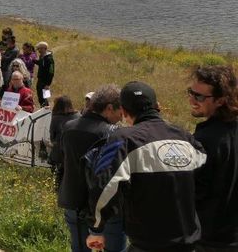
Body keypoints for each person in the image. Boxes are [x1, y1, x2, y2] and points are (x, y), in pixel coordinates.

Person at [87, 81, 207, 252]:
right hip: (190, 242)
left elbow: (103, 186)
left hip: (149, 243)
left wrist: (96, 229)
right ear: (157, 106)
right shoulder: (185, 137)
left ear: (124, 112)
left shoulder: (124, 140)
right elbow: (206, 181)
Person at [57, 84, 124, 252]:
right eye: (120, 110)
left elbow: (59, 159)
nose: (122, 116)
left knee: (79, 248)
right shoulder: (113, 132)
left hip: (73, 200)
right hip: (105, 207)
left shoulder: (68, 127)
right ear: (109, 108)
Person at [190, 64, 238, 252]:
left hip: (212, 239)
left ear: (221, 100)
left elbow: (192, 191)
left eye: (199, 97)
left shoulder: (204, 140)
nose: (192, 100)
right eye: (191, 92)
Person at [48, 95, 78, 185]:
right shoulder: (78, 116)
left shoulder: (56, 118)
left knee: (58, 178)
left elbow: (52, 137)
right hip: (74, 152)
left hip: (59, 153)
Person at [35, 42, 55, 107]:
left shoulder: (49, 58)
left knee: (44, 98)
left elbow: (51, 72)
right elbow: (41, 64)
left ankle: (46, 110)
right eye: (38, 49)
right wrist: (33, 60)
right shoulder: (42, 57)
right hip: (40, 80)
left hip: (45, 82)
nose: (39, 50)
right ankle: (43, 109)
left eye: (40, 48)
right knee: (41, 97)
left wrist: (48, 84)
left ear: (45, 48)